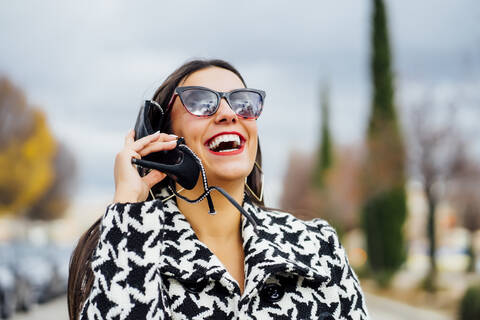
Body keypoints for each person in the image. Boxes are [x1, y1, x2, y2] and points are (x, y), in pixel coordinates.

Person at [68, 59, 369, 320]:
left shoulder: (317, 247)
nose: (228, 113)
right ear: (163, 137)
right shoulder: (127, 246)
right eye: (200, 101)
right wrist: (127, 207)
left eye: (243, 103)